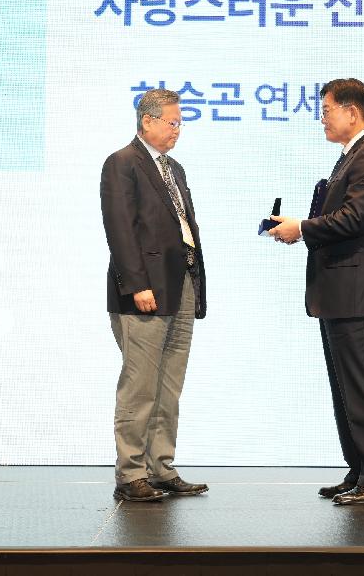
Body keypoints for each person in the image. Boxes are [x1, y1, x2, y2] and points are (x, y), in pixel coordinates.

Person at [268, 78, 364, 505]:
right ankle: (361, 470)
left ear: (352, 112)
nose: (321, 119)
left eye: (326, 110)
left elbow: (354, 219)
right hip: (341, 291)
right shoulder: (353, 156)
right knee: (347, 388)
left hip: (359, 291)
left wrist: (302, 228)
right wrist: (299, 226)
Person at [100, 88, 208, 502]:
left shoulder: (174, 168)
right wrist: (137, 284)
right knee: (140, 385)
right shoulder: (122, 163)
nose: (178, 130)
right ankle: (131, 473)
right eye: (172, 122)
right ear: (147, 121)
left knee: (169, 385)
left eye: (180, 123)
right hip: (144, 288)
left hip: (181, 283)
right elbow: (120, 228)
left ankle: (160, 467)